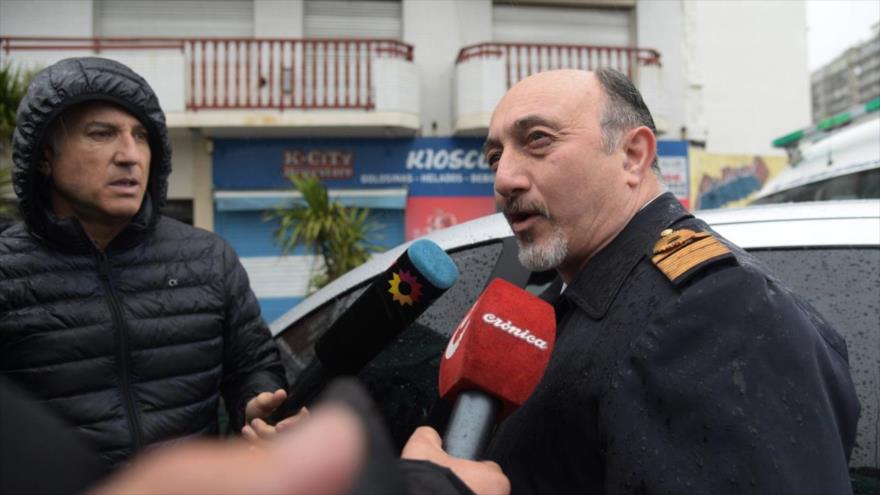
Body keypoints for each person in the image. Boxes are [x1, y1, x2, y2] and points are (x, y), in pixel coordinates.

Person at [417, 68, 861, 493]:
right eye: (495, 157)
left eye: (537, 141)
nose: (503, 179)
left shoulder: (712, 315)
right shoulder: (576, 296)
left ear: (632, 156)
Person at [0, 57, 290, 472]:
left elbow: (255, 366)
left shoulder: (209, 258)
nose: (130, 155)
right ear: (44, 156)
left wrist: (260, 404)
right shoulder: (7, 271)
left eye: (142, 136)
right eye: (101, 134)